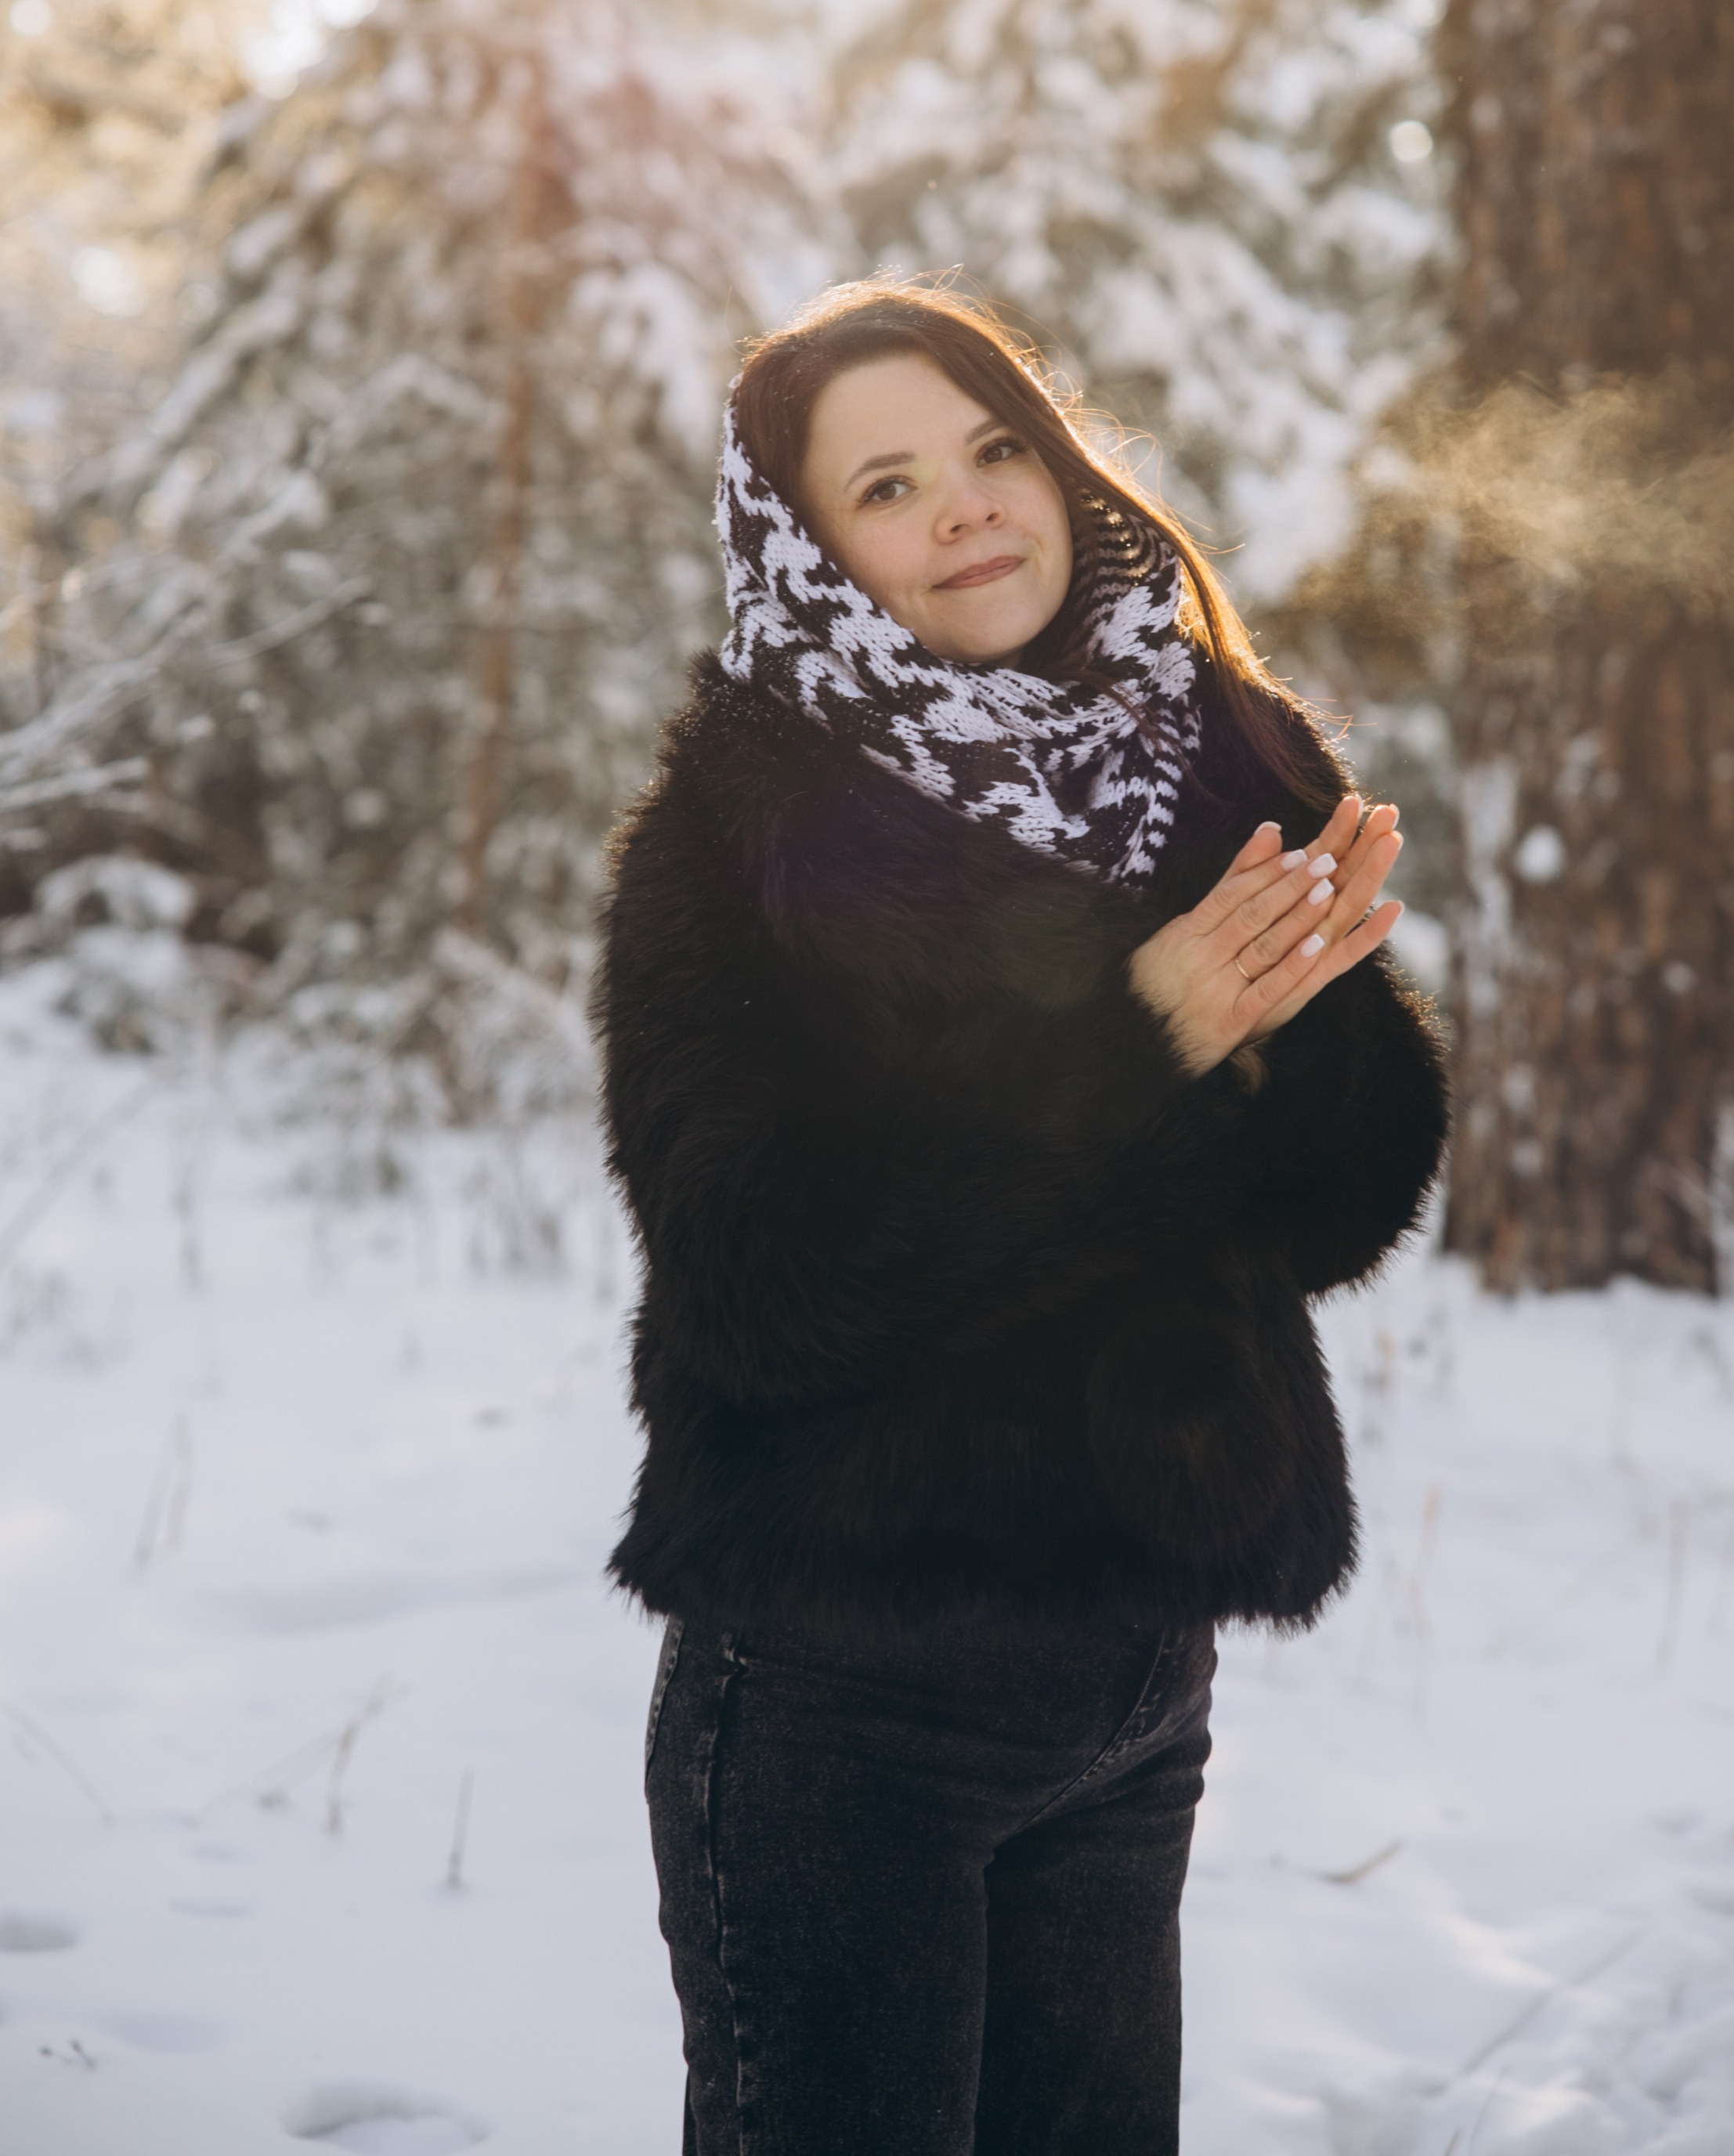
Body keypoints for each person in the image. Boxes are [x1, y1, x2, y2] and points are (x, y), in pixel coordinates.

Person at [596, 277, 1448, 2156]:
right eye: (885, 487)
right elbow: (754, 1281)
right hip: (844, 1702)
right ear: (808, 553)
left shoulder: (1208, 750)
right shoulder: (739, 838)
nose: (966, 507)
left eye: (994, 448)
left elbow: (1333, 1216)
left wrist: (1299, 1041)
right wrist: (1135, 1045)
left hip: (1136, 1685)